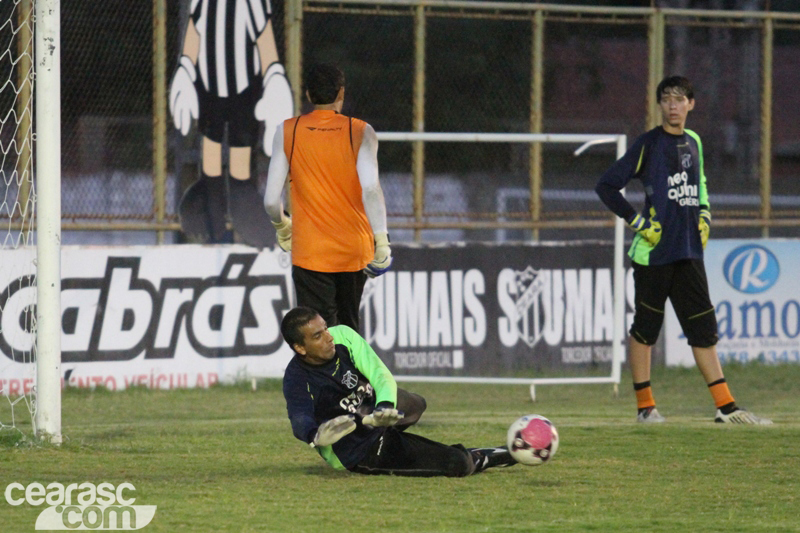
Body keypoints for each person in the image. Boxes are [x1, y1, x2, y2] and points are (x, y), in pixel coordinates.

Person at [595, 75, 771, 425]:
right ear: (659, 105)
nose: (673, 105)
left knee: (704, 330)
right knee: (646, 329)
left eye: (679, 99)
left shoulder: (694, 142)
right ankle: (646, 408)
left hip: (689, 251)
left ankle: (726, 408)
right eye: (666, 99)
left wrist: (705, 215)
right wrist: (640, 224)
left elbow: (700, 185)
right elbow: (606, 186)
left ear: (691, 104)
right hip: (654, 254)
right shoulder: (648, 144)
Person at [281, 306, 517, 476]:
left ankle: (389, 424)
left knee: (416, 404)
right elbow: (299, 418)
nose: (329, 337)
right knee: (459, 463)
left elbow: (379, 374)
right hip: (358, 448)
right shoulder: (296, 378)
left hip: (375, 411)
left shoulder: (343, 335)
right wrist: (315, 436)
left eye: (325, 328)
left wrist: (384, 407)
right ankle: (487, 456)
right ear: (300, 348)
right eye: (317, 336)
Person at [264, 63, 391, 332]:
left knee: (318, 337)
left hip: (311, 250)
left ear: (308, 95)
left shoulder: (288, 131)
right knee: (349, 332)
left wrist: (282, 226)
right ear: (341, 93)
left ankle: (329, 376)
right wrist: (382, 239)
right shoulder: (360, 131)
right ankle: (353, 376)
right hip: (354, 248)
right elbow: (370, 189)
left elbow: (271, 201)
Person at [169, 0, 293, 247]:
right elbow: (195, 27)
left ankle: (244, 212)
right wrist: (185, 66)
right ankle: (209, 214)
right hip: (209, 88)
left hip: (245, 91)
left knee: (240, 161)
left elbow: (262, 33)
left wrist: (274, 74)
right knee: (211, 157)